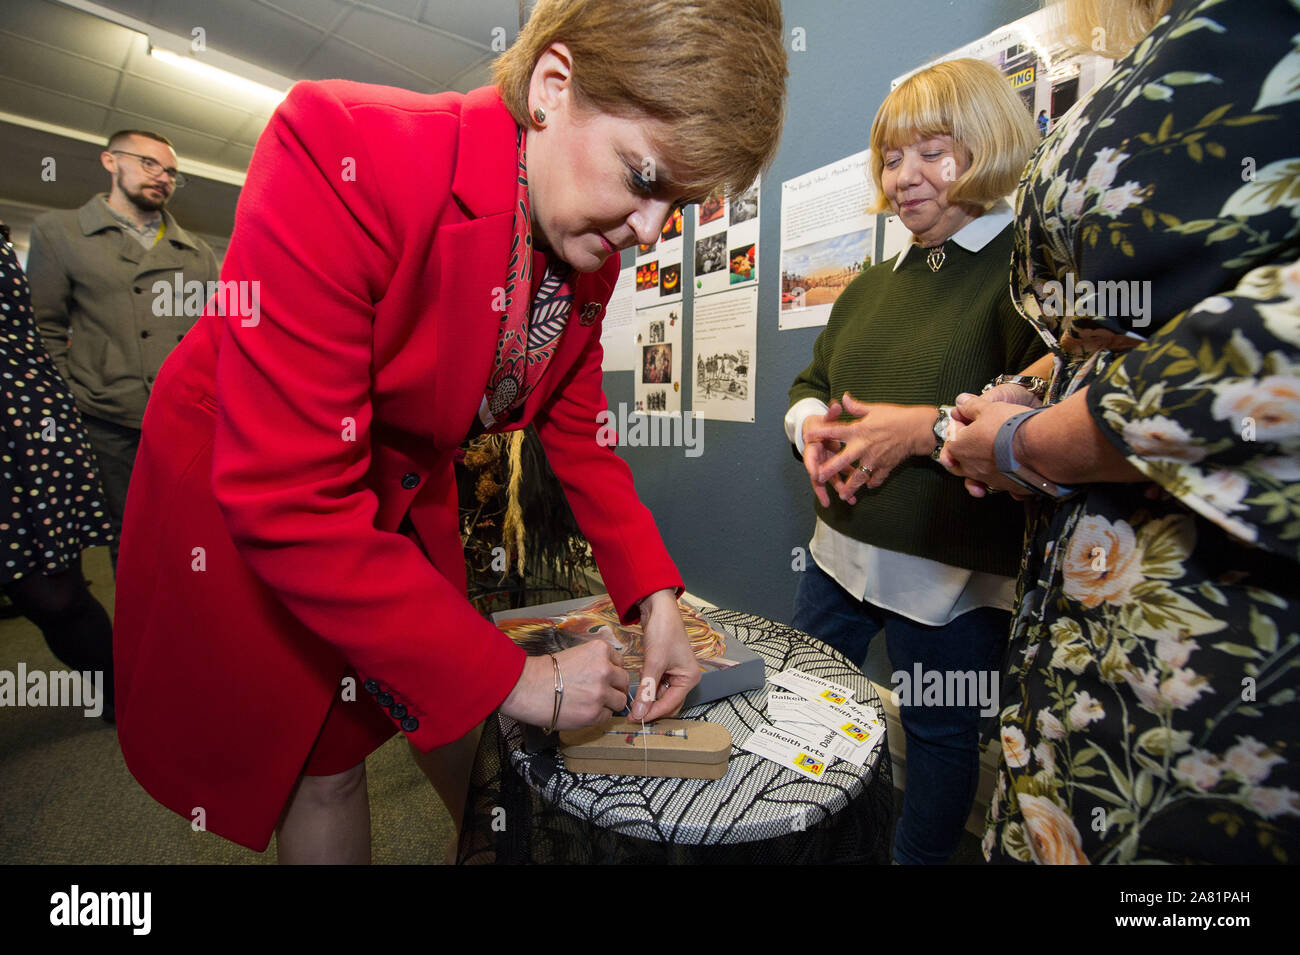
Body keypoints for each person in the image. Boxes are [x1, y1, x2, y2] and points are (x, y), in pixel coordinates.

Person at [112, 0, 787, 862]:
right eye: (646, 179)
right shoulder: (339, 146)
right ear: (552, 87)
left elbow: (579, 437)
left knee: (381, 723)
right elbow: (289, 496)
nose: (650, 231)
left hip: (395, 480)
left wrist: (655, 599)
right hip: (253, 477)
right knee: (319, 761)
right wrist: (524, 677)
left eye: (678, 205)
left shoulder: (589, 246)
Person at [942, 0, 1300, 863]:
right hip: (1074, 629)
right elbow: (1093, 334)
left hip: (1213, 637)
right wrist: (1023, 401)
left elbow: (1261, 346)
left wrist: (1027, 444)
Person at [785, 58, 1046, 864]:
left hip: (951, 577)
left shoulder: (1024, 274)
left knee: (935, 739)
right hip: (836, 557)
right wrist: (810, 432)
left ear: (989, 145)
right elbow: (811, 385)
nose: (906, 178)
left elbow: (1038, 412)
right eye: (893, 158)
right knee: (803, 704)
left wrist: (922, 429)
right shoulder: (869, 286)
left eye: (934, 152)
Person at [25, 130, 219, 571]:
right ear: (111, 161)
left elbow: (207, 334)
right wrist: (71, 397)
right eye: (149, 163)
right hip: (109, 418)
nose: (163, 177)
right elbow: (44, 327)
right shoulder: (61, 233)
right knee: (130, 534)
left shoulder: (196, 252)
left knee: (194, 527)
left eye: (171, 172)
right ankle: (140, 635)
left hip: (183, 416)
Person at [0, 221, 116, 720]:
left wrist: (63, 403)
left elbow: (37, 337)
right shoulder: (57, 236)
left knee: (55, 594)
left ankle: (122, 692)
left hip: (20, 429)